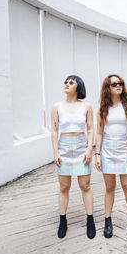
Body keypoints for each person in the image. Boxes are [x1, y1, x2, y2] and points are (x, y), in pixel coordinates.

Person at [51, 75, 96, 239]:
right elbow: (54, 130)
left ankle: (90, 219)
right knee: (64, 187)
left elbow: (90, 129)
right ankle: (63, 220)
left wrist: (89, 149)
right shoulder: (57, 106)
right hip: (63, 148)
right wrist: (56, 152)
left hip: (81, 147)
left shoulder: (86, 106)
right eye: (66, 82)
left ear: (79, 87)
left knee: (85, 185)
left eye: (71, 82)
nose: (67, 84)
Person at [95, 74, 127, 239]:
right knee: (109, 187)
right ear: (108, 88)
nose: (118, 86)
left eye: (120, 83)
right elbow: (99, 133)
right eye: (114, 84)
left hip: (124, 149)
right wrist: (97, 154)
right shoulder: (102, 109)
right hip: (107, 150)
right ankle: (108, 220)